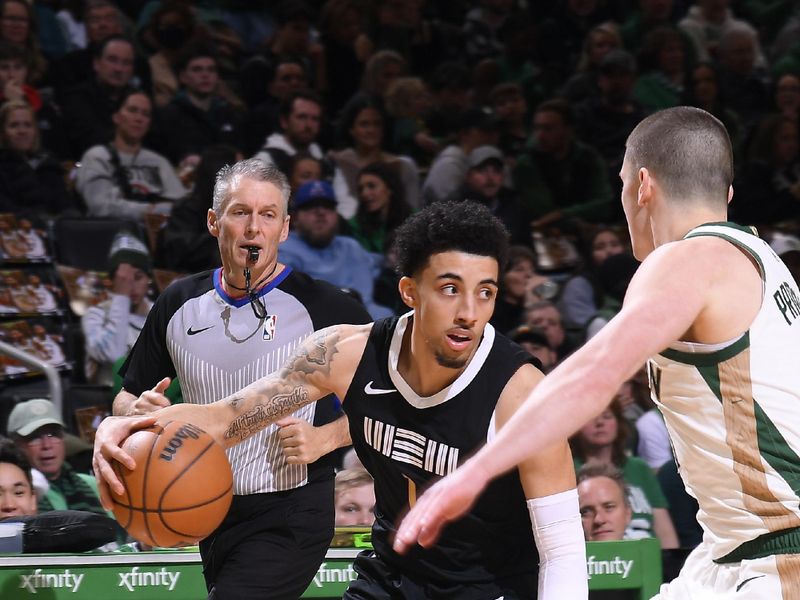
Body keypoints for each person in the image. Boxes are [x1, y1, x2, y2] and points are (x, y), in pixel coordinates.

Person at [395, 106, 800, 599]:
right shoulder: (767, 262)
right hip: (729, 552)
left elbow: (593, 375)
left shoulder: (686, 259)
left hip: (778, 556)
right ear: (726, 194)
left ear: (642, 186)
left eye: (624, 186)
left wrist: (473, 472)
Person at [93, 200, 588, 599]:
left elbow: (563, 547)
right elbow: (226, 419)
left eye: (486, 293)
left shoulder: (521, 393)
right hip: (394, 577)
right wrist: (117, 428)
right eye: (450, 289)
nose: (468, 312)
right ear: (409, 291)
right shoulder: (344, 355)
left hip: (491, 586)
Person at [105, 158, 371, 600]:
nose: (253, 227)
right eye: (240, 212)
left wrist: (327, 438)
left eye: (267, 215)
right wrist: (135, 411)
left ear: (284, 229)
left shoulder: (327, 307)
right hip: (203, 505)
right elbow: (126, 395)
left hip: (292, 508)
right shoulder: (177, 302)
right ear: (214, 221)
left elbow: (390, 399)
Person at [278, 179, 394, 320]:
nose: (320, 212)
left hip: (371, 320)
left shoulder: (350, 246)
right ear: (295, 218)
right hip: (319, 325)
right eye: (310, 206)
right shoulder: (285, 249)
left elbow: (383, 262)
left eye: (327, 206)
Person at [570, 398, 679, 547]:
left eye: (607, 416)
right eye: (591, 418)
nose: (600, 423)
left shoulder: (639, 468)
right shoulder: (567, 472)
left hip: (646, 559)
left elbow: (665, 533)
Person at [75, 89, 186, 220]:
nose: (139, 118)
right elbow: (101, 207)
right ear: (116, 116)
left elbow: (181, 206)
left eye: (145, 114)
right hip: (109, 233)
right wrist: (151, 211)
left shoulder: (159, 162)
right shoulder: (97, 157)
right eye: (133, 110)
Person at [7, 399, 105, 516]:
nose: (47, 445)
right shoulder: (14, 496)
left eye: (53, 434)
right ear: (17, 444)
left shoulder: (93, 484)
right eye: (34, 437)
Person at [81, 231, 153, 386]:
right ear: (113, 281)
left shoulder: (158, 313)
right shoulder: (95, 315)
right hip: (109, 399)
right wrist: (121, 297)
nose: (130, 286)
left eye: (138, 277)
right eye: (123, 280)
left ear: (149, 279)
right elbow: (115, 355)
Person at [576, 463, 632, 542]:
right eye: (586, 512)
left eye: (609, 507)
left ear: (627, 513)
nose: (599, 520)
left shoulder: (648, 553)